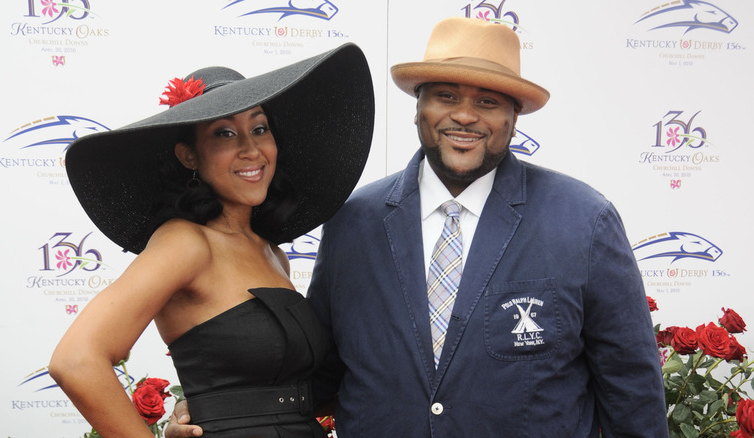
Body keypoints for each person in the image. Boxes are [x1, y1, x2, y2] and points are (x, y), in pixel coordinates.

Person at [167, 17, 669, 437]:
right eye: (446, 96)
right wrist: (216, 412)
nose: (465, 117)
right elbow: (317, 374)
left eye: (489, 102)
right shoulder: (352, 221)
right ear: (419, 108)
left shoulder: (583, 220)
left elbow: (631, 390)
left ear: (514, 117)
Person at [48, 43, 374, 438]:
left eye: (259, 128)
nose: (250, 149)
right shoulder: (184, 243)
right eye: (224, 133)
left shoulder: (272, 252)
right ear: (189, 156)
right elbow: (77, 360)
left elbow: (274, 390)